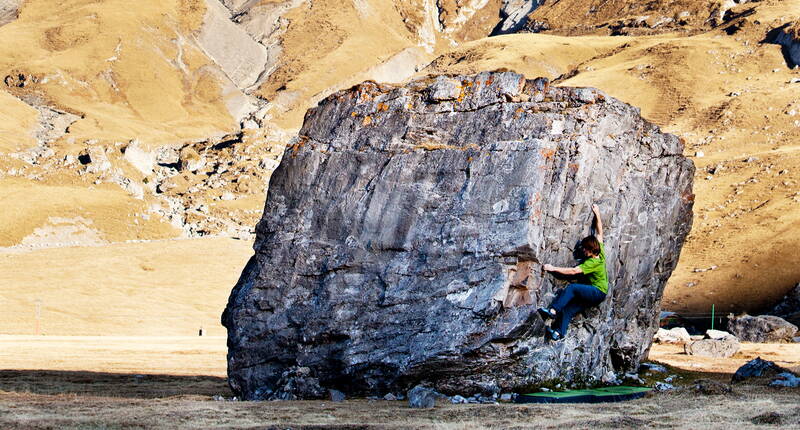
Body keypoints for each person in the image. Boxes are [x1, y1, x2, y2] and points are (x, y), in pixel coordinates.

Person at [537, 204, 608, 341]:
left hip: (597, 291)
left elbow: (573, 271)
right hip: (600, 293)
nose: (583, 251)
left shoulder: (592, 262)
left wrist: (552, 268)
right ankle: (558, 333)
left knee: (572, 288)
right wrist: (597, 213)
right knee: (569, 309)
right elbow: (600, 232)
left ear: (590, 250)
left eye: (585, 249)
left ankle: (553, 311)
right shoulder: (601, 252)